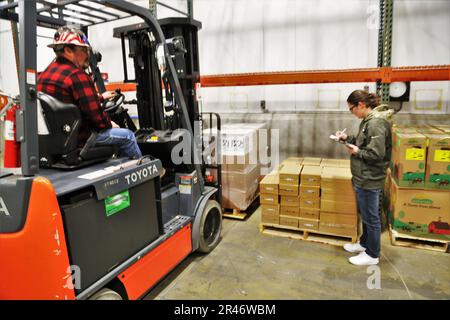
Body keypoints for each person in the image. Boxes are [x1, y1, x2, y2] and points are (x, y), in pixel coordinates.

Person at [37, 26, 142, 159]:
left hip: (55, 141)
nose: (87, 54)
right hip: (81, 140)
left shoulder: (43, 75)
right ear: (68, 50)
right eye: (84, 50)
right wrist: (110, 124)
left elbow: (69, 103)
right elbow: (97, 118)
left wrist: (99, 98)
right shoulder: (76, 75)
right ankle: (145, 173)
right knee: (128, 136)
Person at [334, 90, 393, 266]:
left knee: (371, 218)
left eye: (352, 109)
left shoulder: (375, 123)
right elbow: (363, 142)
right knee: (366, 215)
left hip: (370, 177)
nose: (352, 113)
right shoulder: (368, 122)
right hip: (363, 176)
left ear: (361, 105)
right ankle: (365, 244)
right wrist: (347, 138)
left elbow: (376, 153)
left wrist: (357, 151)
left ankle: (372, 255)